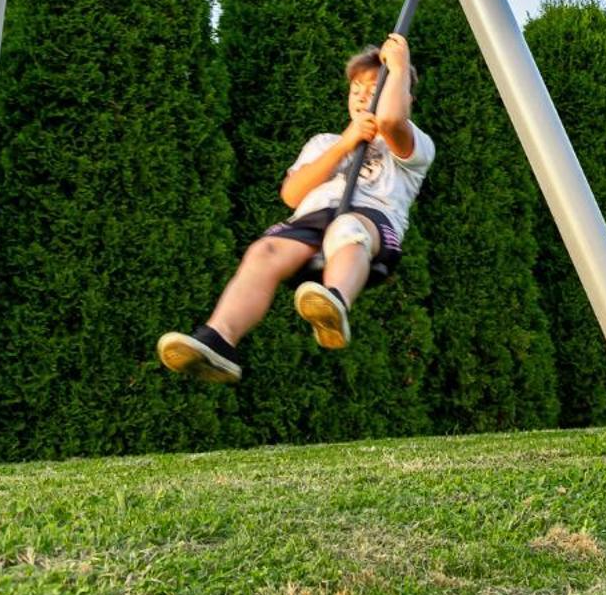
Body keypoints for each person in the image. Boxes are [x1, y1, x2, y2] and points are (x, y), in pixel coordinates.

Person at [157, 33, 435, 383]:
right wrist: (346, 144)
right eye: (356, 89)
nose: (364, 96)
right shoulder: (325, 142)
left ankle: (334, 302)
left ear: (402, 94)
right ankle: (219, 340)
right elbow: (292, 194)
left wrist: (398, 66)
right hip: (310, 222)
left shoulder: (412, 145)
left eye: (375, 88)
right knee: (263, 250)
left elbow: (393, 121)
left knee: (345, 230)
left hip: (370, 225)